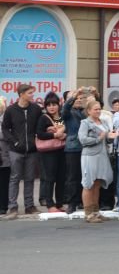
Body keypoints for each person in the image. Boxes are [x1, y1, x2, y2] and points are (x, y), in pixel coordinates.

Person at [2, 84, 44, 219]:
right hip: (15, 151)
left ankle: (29, 206)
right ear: (21, 94)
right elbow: (5, 129)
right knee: (14, 178)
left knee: (30, 179)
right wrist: (14, 142)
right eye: (30, 93)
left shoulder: (36, 109)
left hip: (32, 150)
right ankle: (12, 207)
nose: (33, 95)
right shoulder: (10, 110)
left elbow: (46, 122)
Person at [77, 100, 116, 223]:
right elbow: (82, 139)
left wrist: (110, 138)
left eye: (99, 109)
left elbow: (106, 139)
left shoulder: (103, 122)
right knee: (88, 183)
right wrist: (99, 138)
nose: (98, 111)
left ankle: (96, 211)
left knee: (97, 183)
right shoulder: (85, 123)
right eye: (95, 109)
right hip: (90, 156)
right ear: (88, 111)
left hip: (102, 155)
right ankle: (88, 213)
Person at [35, 93, 66, 213]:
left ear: (59, 105)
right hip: (48, 152)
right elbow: (40, 134)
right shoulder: (44, 118)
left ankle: (59, 203)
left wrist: (64, 134)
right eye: (49, 105)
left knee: (61, 178)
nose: (52, 107)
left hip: (62, 150)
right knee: (49, 178)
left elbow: (70, 129)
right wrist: (54, 135)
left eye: (54, 104)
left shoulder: (63, 117)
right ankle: (49, 204)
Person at [61, 88, 88, 214]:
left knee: (84, 175)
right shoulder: (68, 112)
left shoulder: (84, 113)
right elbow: (65, 108)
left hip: (86, 147)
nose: (78, 100)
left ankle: (82, 201)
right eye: (76, 99)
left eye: (80, 99)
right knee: (72, 176)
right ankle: (71, 203)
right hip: (73, 147)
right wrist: (73, 96)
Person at [0, 97, 10, 217]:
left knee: (4, 182)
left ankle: (3, 206)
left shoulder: (5, 119)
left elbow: (5, 134)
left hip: (4, 155)